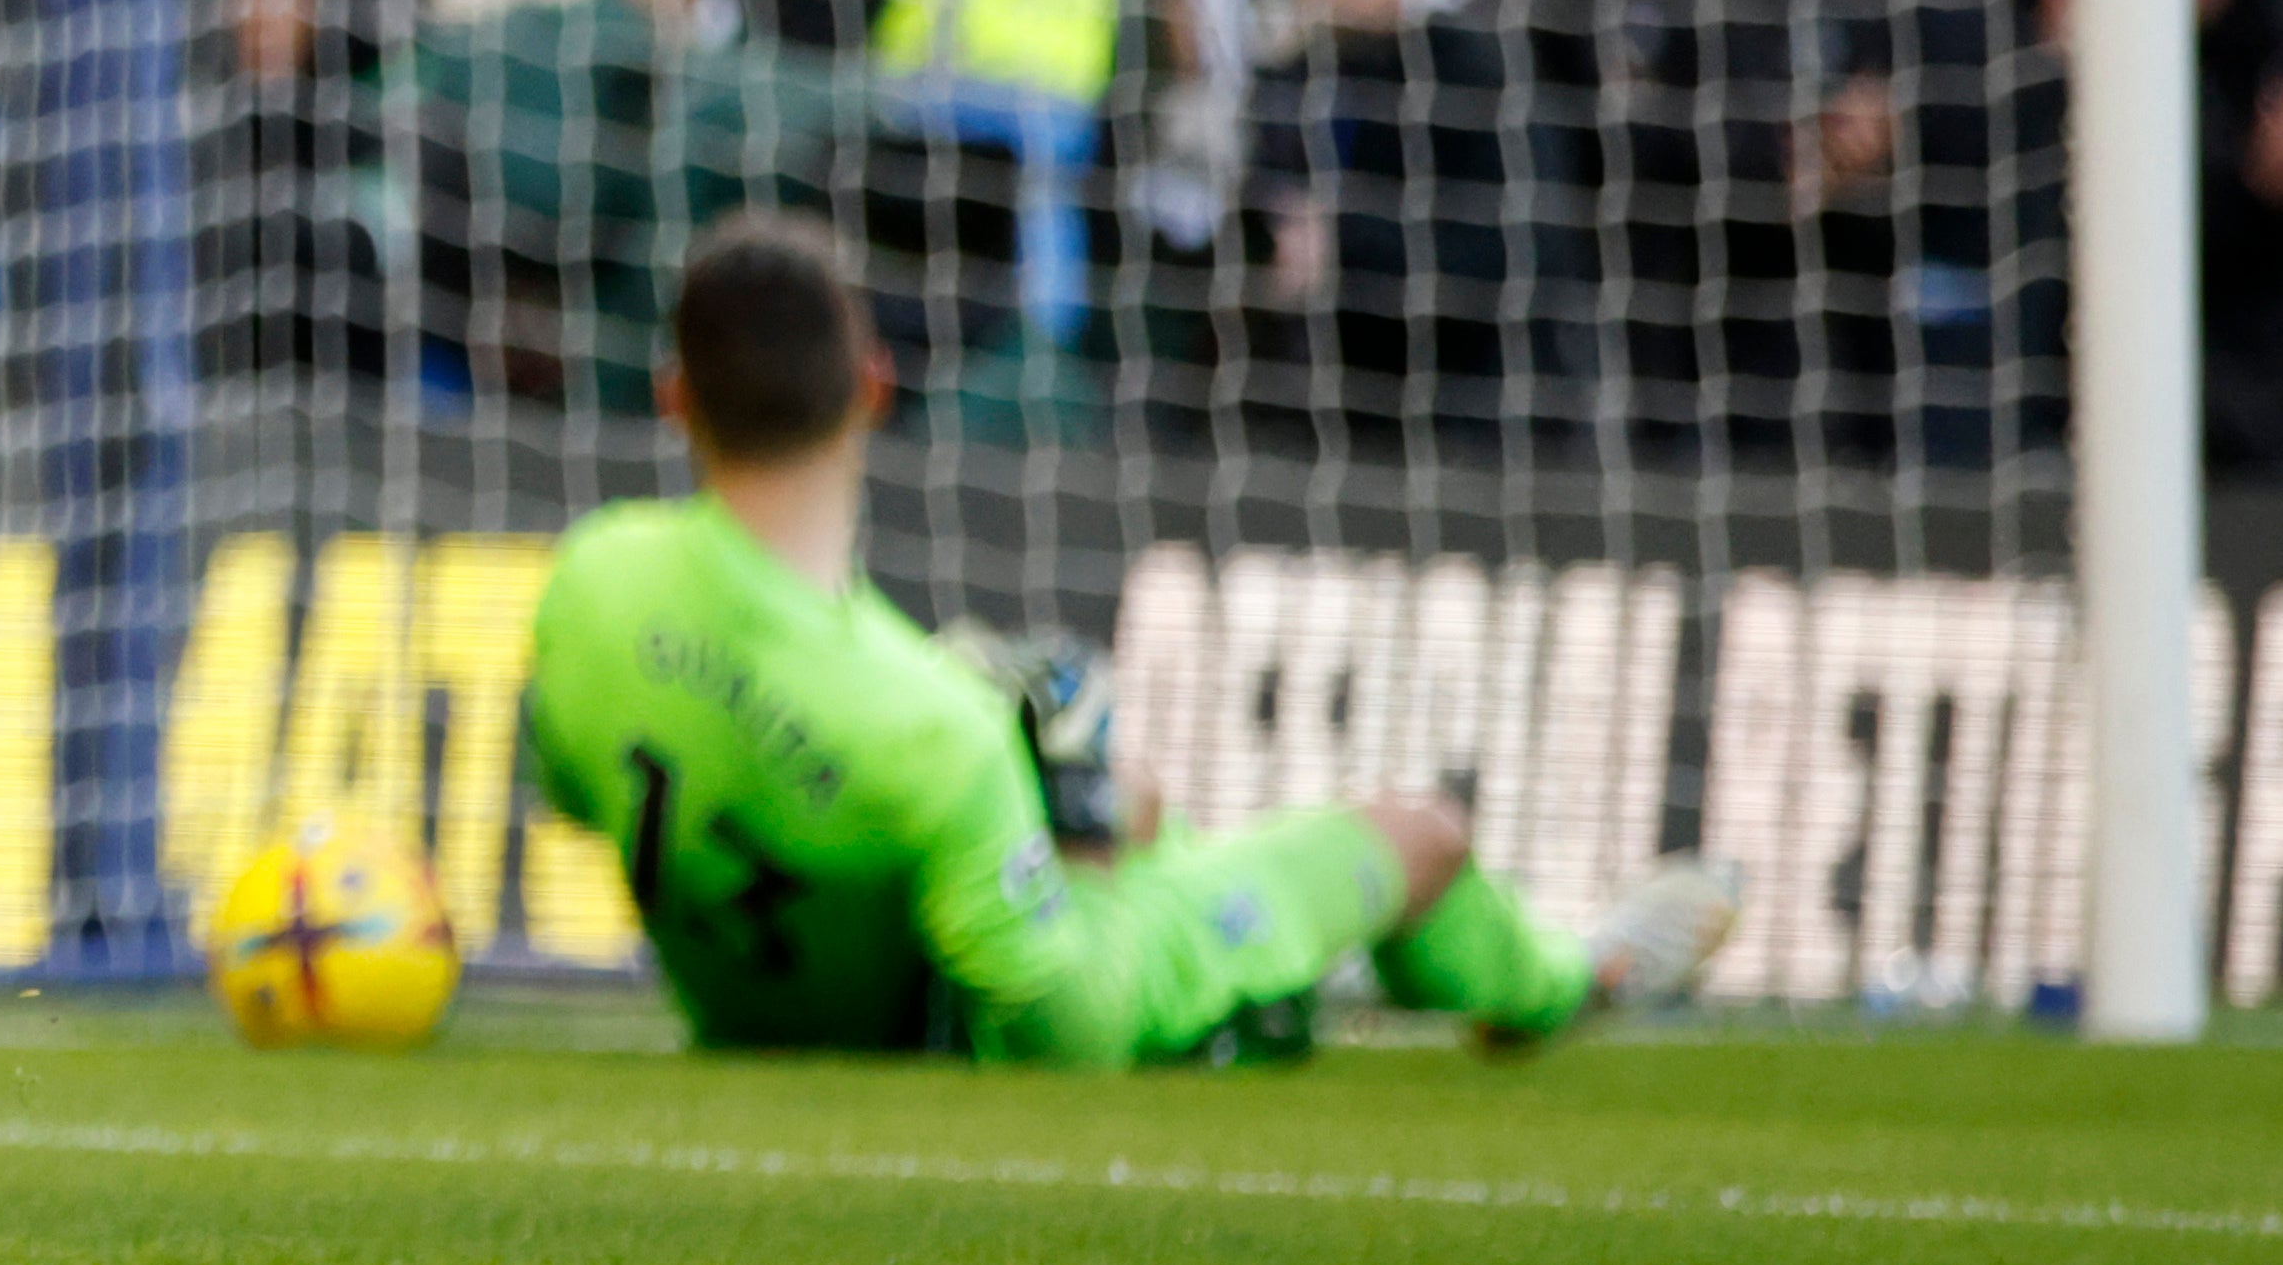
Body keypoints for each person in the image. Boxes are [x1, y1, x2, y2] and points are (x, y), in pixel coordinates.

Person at [517, 210, 1735, 1063]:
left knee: (1129, 795)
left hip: (764, 998)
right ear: (874, 388)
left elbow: (589, 789)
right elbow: (1072, 1022)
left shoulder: (593, 580)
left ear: (673, 392)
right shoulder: (929, 728)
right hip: (994, 1002)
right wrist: (1082, 836)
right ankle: (1573, 979)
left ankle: (1330, 958)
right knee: (1417, 831)